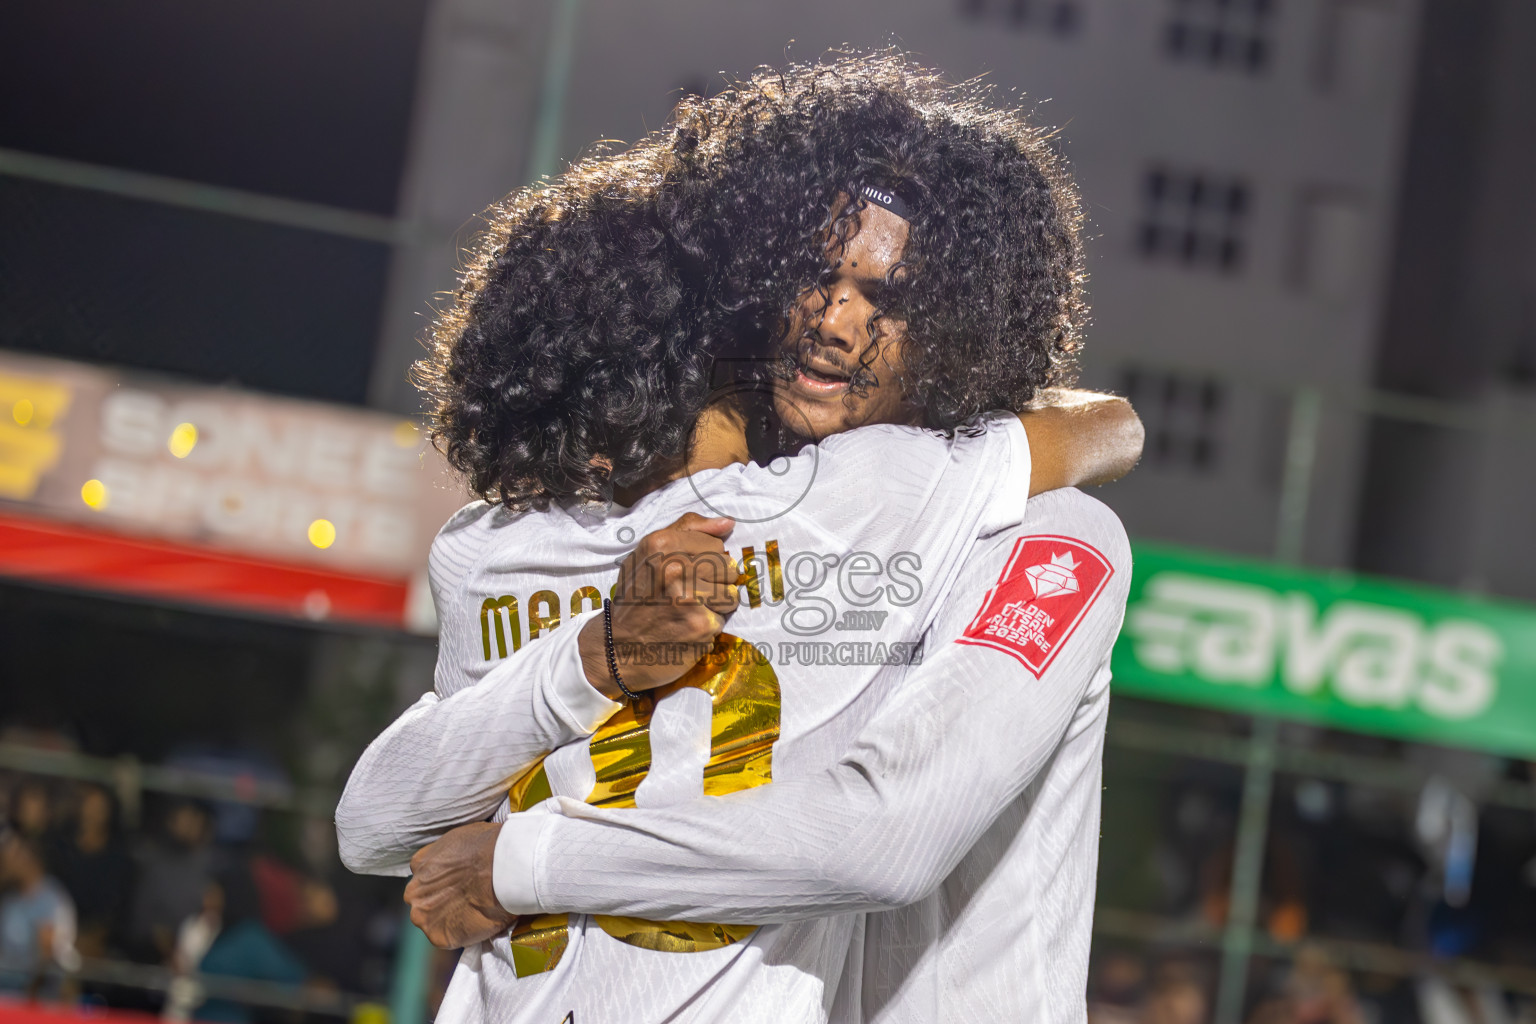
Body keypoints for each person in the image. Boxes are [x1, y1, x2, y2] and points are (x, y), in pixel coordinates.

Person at [338, 54, 1136, 1022]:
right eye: (814, 274)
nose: (835, 322)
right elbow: (376, 816)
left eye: (890, 300)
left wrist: (520, 861)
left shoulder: (1054, 541)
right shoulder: (746, 517)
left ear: (967, 324)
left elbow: (880, 835)